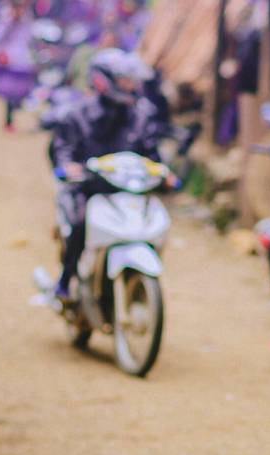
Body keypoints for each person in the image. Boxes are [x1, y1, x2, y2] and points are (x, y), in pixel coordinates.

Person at [49, 48, 166, 299]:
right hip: (90, 190)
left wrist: (165, 172)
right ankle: (65, 281)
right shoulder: (78, 115)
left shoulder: (141, 116)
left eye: (131, 80)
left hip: (129, 190)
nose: (130, 86)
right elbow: (63, 150)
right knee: (79, 225)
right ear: (104, 81)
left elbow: (152, 154)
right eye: (124, 80)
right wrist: (69, 167)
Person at [0, 0, 35, 130]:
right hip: (8, 61)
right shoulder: (3, 20)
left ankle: (17, 111)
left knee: (22, 91)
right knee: (9, 94)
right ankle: (9, 120)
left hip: (23, 61)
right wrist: (9, 23)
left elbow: (30, 38)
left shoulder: (27, 20)